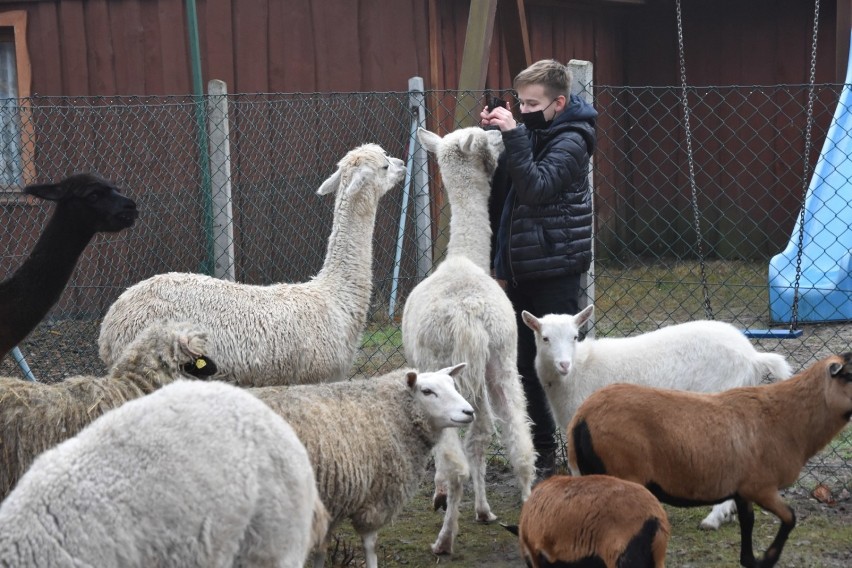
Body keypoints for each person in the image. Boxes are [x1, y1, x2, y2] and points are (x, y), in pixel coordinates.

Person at [480, 59, 597, 480]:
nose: (524, 109)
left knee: (561, 365)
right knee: (525, 363)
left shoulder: (573, 139)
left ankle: (580, 451)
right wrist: (498, 135)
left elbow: (535, 187)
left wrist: (513, 134)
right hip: (517, 268)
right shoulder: (534, 130)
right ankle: (543, 451)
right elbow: (505, 197)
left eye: (532, 103)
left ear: (559, 103)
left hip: (553, 269)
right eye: (519, 102)